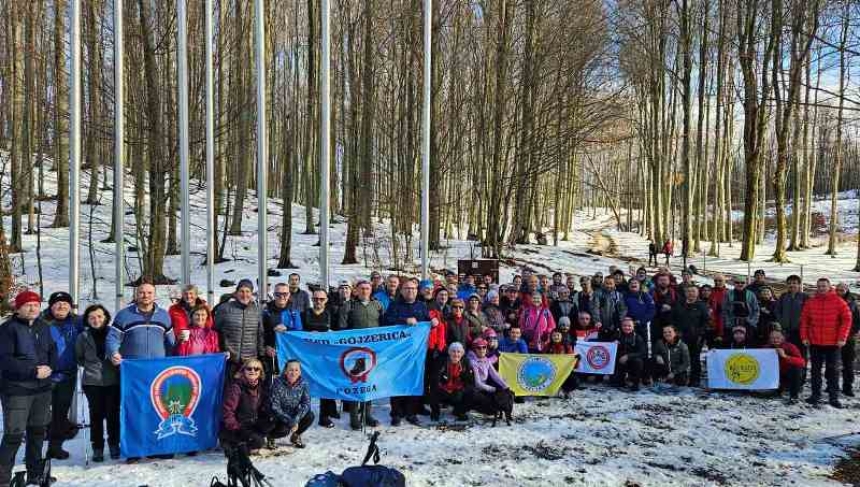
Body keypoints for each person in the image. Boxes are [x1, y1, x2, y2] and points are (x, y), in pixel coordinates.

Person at [0, 291, 57, 486]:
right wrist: (33, 371)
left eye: (35, 304)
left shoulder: (44, 326)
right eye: (27, 305)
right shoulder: (8, 329)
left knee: (37, 432)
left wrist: (51, 367)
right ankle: (3, 479)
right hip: (17, 390)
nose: (32, 308)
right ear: (18, 308)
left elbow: (52, 350)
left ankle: (35, 473)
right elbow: (5, 360)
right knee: (14, 435)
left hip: (42, 390)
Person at [383, 279, 436, 426]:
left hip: (416, 352)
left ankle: (411, 412)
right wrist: (404, 320)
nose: (410, 291)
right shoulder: (394, 305)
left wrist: (433, 322)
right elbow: (386, 321)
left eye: (413, 289)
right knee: (397, 381)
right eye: (407, 288)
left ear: (417, 291)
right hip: (398, 352)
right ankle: (396, 413)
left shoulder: (421, 306)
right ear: (401, 291)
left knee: (414, 381)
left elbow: (426, 323)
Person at [76, 304, 121, 462]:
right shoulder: (83, 336)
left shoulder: (113, 333)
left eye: (99, 316)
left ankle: (114, 444)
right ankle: (97, 447)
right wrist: (91, 366)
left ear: (106, 317)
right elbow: (79, 357)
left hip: (112, 380)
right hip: (92, 382)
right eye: (92, 317)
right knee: (96, 415)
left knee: (112, 414)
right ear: (87, 320)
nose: (96, 320)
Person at [42, 291, 83, 460]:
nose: (61, 306)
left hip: (67, 374)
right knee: (38, 414)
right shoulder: (40, 322)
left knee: (60, 413)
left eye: (65, 304)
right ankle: (34, 450)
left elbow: (96, 328)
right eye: (57, 304)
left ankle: (55, 446)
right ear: (51, 306)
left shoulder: (77, 321)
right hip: (44, 375)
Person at [338, 280, 383, 429]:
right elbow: (342, 328)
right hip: (354, 352)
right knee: (355, 383)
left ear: (371, 290)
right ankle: (353, 416)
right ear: (356, 291)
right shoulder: (349, 306)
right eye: (361, 289)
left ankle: (367, 414)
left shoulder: (377, 305)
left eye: (367, 288)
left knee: (368, 383)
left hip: (372, 352)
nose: (364, 291)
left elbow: (385, 327)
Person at [801, 278, 852, 408]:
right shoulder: (811, 302)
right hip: (815, 342)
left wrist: (842, 338)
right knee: (815, 371)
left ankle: (833, 397)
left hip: (833, 343)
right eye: (819, 286)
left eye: (824, 286)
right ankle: (815, 395)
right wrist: (805, 337)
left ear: (829, 287)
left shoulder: (839, 302)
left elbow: (847, 320)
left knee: (833, 371)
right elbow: (805, 321)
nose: (821, 288)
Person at [221, 359, 286, 453]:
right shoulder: (236, 387)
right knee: (258, 442)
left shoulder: (261, 387)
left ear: (260, 372)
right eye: (249, 368)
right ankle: (234, 447)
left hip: (252, 423)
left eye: (256, 369)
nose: (253, 371)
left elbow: (266, 407)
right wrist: (236, 428)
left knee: (279, 424)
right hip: (237, 427)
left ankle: (253, 439)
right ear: (243, 370)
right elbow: (227, 411)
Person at [107, 282, 175, 363]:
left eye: (149, 293)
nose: (145, 295)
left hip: (158, 367)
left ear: (155, 296)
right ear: (136, 295)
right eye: (141, 292)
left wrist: (171, 361)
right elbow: (113, 339)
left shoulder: (164, 316)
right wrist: (114, 353)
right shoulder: (123, 315)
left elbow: (171, 342)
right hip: (132, 367)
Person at [214, 280, 266, 382]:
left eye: (247, 291)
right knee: (229, 390)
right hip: (230, 360)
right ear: (236, 293)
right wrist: (220, 351)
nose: (244, 294)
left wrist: (262, 355)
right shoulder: (224, 308)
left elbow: (260, 334)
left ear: (251, 294)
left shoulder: (257, 310)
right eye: (241, 291)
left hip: (250, 361)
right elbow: (216, 331)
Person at [301, 289, 339, 428]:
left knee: (325, 385)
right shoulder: (305, 314)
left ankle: (325, 416)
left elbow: (339, 333)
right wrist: (308, 334)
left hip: (326, 356)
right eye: (316, 299)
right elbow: (298, 332)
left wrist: (329, 334)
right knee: (305, 385)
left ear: (326, 300)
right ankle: (304, 415)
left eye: (321, 299)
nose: (318, 301)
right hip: (307, 356)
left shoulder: (332, 314)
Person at [269, 360, 314, 448]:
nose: (293, 373)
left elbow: (306, 403)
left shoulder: (304, 383)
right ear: (285, 371)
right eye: (291, 370)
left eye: (296, 370)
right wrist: (290, 421)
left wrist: (296, 419)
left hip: (294, 413)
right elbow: (275, 406)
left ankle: (296, 436)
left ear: (300, 372)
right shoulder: (277, 382)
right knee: (284, 430)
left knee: (310, 416)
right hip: (280, 415)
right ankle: (271, 436)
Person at [670, 286, 710, 387]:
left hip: (696, 337)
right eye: (688, 291)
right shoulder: (679, 304)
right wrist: (675, 331)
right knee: (680, 358)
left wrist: (700, 333)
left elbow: (706, 322)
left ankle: (695, 379)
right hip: (681, 336)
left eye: (693, 291)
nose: (690, 293)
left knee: (694, 358)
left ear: (697, 293)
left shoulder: (702, 305)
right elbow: (673, 319)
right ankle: (680, 378)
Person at [262, 283, 303, 377]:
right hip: (271, 354)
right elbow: (260, 332)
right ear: (273, 295)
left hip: (288, 353)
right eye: (278, 294)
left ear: (289, 295)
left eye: (285, 294)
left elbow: (299, 332)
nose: (282, 297)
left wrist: (287, 329)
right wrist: (265, 347)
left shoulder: (294, 311)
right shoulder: (266, 311)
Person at [430, 343, 474, 422]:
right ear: (449, 352)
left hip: (457, 391)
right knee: (433, 389)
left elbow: (470, 381)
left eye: (458, 352)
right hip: (443, 389)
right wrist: (442, 385)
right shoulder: (442, 361)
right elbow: (435, 378)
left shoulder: (465, 362)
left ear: (462, 353)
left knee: (471, 392)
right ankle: (435, 412)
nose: (456, 354)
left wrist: (463, 384)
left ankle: (459, 411)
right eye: (453, 351)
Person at [469, 338, 510, 409]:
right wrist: (494, 389)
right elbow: (477, 383)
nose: (481, 350)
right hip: (474, 389)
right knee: (489, 407)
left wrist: (505, 386)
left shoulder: (486, 360)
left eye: (484, 347)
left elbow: (495, 375)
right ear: (474, 350)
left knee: (501, 389)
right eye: (478, 348)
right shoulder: (473, 362)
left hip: (484, 387)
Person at [768, 329, 805, 403]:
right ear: (769, 339)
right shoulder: (766, 348)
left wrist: (785, 356)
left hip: (788, 374)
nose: (775, 340)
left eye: (777, 337)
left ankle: (794, 396)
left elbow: (802, 362)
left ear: (783, 338)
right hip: (775, 375)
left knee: (796, 369)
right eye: (772, 338)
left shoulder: (791, 347)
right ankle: (776, 391)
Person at [836, 283, 860, 397]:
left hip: (848, 337)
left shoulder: (852, 303)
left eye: (842, 290)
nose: (839, 292)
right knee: (833, 363)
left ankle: (847, 387)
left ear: (847, 290)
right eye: (838, 290)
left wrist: (850, 333)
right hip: (833, 337)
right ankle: (832, 385)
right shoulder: (832, 301)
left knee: (848, 363)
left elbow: (857, 321)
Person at [775, 275, 808, 356]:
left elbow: (808, 313)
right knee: (787, 351)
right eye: (789, 283)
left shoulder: (804, 297)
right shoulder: (783, 296)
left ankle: (802, 368)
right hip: (785, 330)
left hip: (800, 331)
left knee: (801, 352)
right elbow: (777, 310)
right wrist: (781, 321)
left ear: (799, 285)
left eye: (794, 283)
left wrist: (802, 323)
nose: (792, 285)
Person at [613, 317, 647, 391]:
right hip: (619, 360)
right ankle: (619, 379)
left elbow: (642, 352)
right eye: (624, 326)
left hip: (632, 360)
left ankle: (635, 382)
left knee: (638, 361)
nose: (627, 327)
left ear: (633, 327)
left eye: (629, 326)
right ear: (621, 326)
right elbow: (609, 349)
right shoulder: (617, 335)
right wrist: (614, 344)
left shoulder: (637, 337)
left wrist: (628, 356)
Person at [593, 277, 627, 341]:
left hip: (614, 325)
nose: (608, 285)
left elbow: (623, 309)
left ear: (614, 284)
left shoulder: (618, 295)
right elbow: (595, 308)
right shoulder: (598, 293)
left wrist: (620, 321)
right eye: (607, 283)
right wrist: (597, 321)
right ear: (604, 283)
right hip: (601, 325)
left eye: (610, 283)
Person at [708, 275, 729, 348]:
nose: (717, 282)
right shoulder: (711, 291)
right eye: (716, 281)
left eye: (720, 281)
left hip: (724, 323)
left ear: (724, 281)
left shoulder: (728, 292)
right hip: (712, 323)